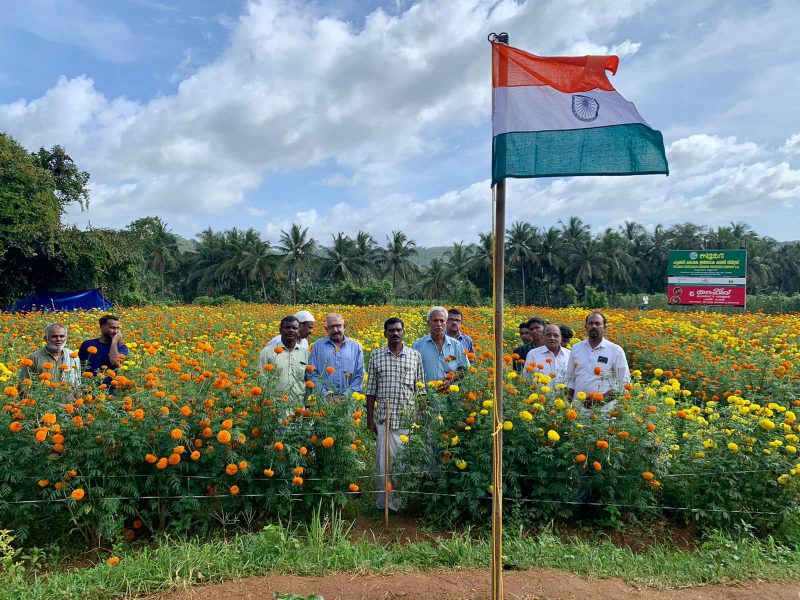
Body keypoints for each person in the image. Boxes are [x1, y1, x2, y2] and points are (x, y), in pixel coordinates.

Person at [366, 317, 426, 512]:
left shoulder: (414, 356)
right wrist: (370, 420)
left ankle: (401, 504)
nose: (395, 333)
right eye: (391, 330)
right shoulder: (376, 356)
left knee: (404, 465)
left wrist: (421, 417)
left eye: (399, 330)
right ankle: (383, 504)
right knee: (384, 466)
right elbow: (370, 390)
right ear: (385, 334)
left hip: (407, 420)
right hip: (384, 419)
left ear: (404, 333)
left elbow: (421, 390)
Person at [565, 311, 630, 418]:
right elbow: (570, 380)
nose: (594, 326)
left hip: (604, 412)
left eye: (598, 323)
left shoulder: (615, 351)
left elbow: (624, 383)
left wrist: (601, 399)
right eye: (590, 323)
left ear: (604, 327)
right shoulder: (576, 348)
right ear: (585, 327)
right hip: (578, 412)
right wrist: (567, 407)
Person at [308, 313, 364, 398]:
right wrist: (326, 395)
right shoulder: (318, 345)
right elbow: (311, 373)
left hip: (348, 401)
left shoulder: (355, 346)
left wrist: (345, 396)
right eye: (331, 327)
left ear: (344, 326)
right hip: (323, 401)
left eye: (338, 326)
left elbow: (359, 375)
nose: (335, 330)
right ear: (326, 329)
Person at [412, 306, 470, 388]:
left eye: (442, 321)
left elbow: (464, 369)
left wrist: (450, 380)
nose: (439, 324)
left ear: (446, 324)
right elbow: (412, 371)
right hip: (425, 396)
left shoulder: (456, 345)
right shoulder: (418, 345)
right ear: (429, 323)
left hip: (450, 395)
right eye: (435, 321)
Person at [258, 315, 309, 404]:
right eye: (287, 327)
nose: (291, 330)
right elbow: (262, 377)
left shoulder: (306, 354)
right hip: (274, 404)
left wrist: (307, 403)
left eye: (294, 328)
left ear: (299, 331)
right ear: (280, 330)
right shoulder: (267, 352)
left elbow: (308, 379)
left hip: (298, 404)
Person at [19, 323, 80, 390]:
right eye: (54, 336)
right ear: (46, 338)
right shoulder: (33, 358)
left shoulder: (72, 356)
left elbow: (77, 383)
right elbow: (23, 385)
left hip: (69, 400)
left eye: (62, 336)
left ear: (66, 338)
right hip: (43, 399)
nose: (58, 339)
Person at [79, 315, 129, 388]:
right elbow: (79, 366)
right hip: (87, 387)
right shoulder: (87, 344)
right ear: (102, 327)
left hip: (109, 391)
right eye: (112, 328)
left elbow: (115, 362)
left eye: (117, 328)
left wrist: (114, 341)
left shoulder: (121, 348)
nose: (115, 331)